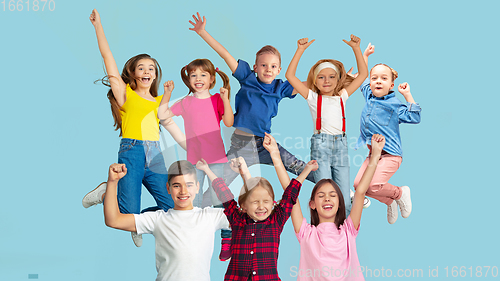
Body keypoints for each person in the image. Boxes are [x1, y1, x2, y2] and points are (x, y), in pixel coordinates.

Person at [81, 9, 184, 247]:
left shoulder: (159, 100)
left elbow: (173, 116)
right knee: (126, 210)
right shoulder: (125, 95)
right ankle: (109, 192)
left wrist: (168, 94)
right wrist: (98, 27)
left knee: (172, 206)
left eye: (151, 68)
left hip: (156, 153)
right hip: (133, 150)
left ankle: (138, 221)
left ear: (155, 74)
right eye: (141, 68)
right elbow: (108, 58)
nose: (147, 71)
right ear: (133, 74)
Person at [189, 13, 315, 186]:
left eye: (273, 66)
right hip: (241, 145)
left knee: (296, 165)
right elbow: (225, 55)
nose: (268, 69)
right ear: (255, 67)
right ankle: (198, 210)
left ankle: (340, 189)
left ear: (279, 70)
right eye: (263, 65)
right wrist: (203, 32)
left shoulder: (281, 87)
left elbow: (311, 83)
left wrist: (340, 78)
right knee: (218, 186)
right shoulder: (247, 78)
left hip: (265, 144)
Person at [268, 133, 385, 281]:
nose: (327, 198)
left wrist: (375, 154)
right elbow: (290, 194)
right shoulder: (306, 234)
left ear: (340, 203)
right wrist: (275, 154)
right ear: (312, 204)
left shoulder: (348, 230)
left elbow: (360, 191)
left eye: (333, 195)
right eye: (321, 195)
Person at [197, 148, 316, 281]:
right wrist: (207, 170)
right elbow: (223, 193)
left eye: (266, 201)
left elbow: (290, 195)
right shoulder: (237, 219)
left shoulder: (276, 220)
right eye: (255, 202)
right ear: (243, 205)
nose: (261, 206)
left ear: (273, 203)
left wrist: (306, 170)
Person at [157, 58, 234, 260]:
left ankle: (227, 236)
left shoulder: (217, 99)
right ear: (188, 79)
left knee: (219, 197)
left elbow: (228, 121)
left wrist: (226, 99)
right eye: (193, 75)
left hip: (216, 158)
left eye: (203, 75)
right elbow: (162, 114)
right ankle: (196, 238)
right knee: (195, 199)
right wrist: (167, 95)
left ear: (211, 79)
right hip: (194, 160)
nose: (198, 79)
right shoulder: (186, 102)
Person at [103, 160, 230, 281]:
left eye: (189, 185)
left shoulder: (210, 216)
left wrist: (244, 174)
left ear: (197, 187)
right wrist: (112, 181)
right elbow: (113, 220)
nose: (183, 191)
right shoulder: (158, 219)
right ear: (168, 188)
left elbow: (247, 216)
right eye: (176, 185)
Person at [285, 36, 368, 216]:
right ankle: (323, 228)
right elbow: (289, 76)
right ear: (314, 81)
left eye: (331, 77)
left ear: (338, 79)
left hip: (341, 145)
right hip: (321, 145)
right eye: (321, 77)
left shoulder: (342, 96)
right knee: (324, 191)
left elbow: (363, 75)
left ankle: (343, 232)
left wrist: (356, 48)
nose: (326, 81)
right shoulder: (312, 97)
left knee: (343, 193)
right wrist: (300, 50)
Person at [353, 58, 421, 224]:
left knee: (372, 186)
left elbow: (414, 116)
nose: (378, 81)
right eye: (374, 78)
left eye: (384, 78)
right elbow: (360, 76)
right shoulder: (369, 94)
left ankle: (399, 193)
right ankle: (389, 201)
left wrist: (407, 95)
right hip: (373, 154)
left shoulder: (395, 105)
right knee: (358, 185)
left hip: (391, 155)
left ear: (391, 85)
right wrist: (365, 56)